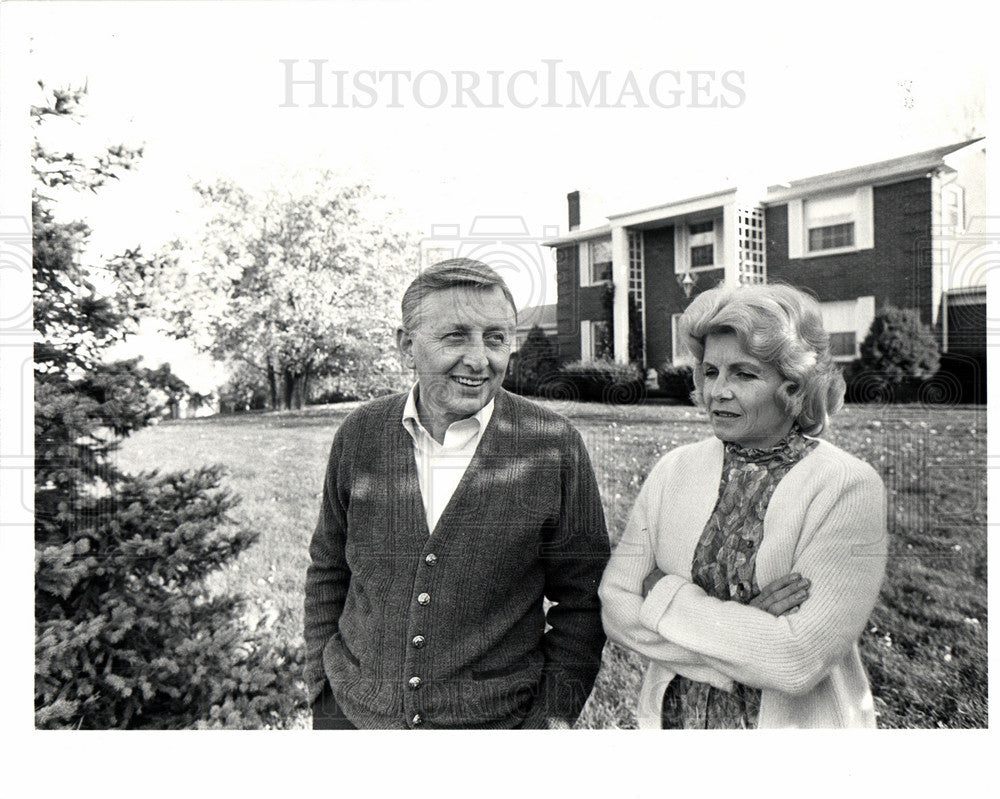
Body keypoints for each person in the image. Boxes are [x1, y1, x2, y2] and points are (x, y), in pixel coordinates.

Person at [304, 258, 610, 729]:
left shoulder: (553, 446)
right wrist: (324, 698)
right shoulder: (360, 434)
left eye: (496, 338)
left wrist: (550, 719)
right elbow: (328, 569)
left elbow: (583, 604)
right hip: (353, 720)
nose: (479, 359)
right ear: (407, 346)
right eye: (455, 336)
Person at [599, 283, 887, 728]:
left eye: (743, 374)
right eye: (710, 371)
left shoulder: (845, 487)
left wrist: (663, 596)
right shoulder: (674, 469)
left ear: (793, 387)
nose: (717, 391)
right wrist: (747, 631)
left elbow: (795, 661)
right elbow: (616, 605)